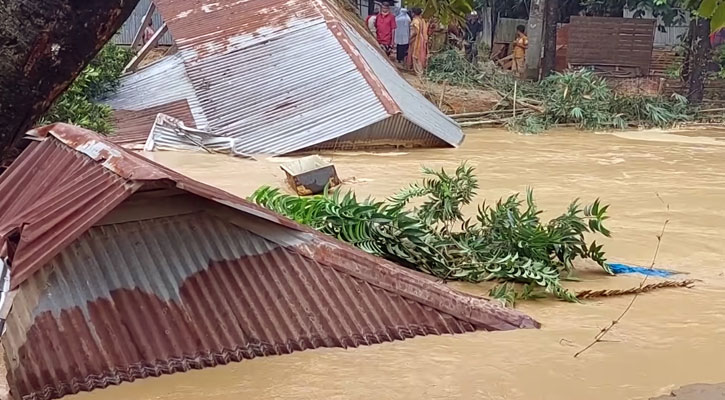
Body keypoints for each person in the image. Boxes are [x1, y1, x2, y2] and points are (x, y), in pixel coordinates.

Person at [409, 7, 429, 75]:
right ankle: (420, 70)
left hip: (416, 39)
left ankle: (419, 71)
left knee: (416, 55)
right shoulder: (422, 20)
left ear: (413, 13)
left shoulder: (415, 21)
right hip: (422, 39)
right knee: (421, 54)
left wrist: (410, 38)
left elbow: (415, 32)